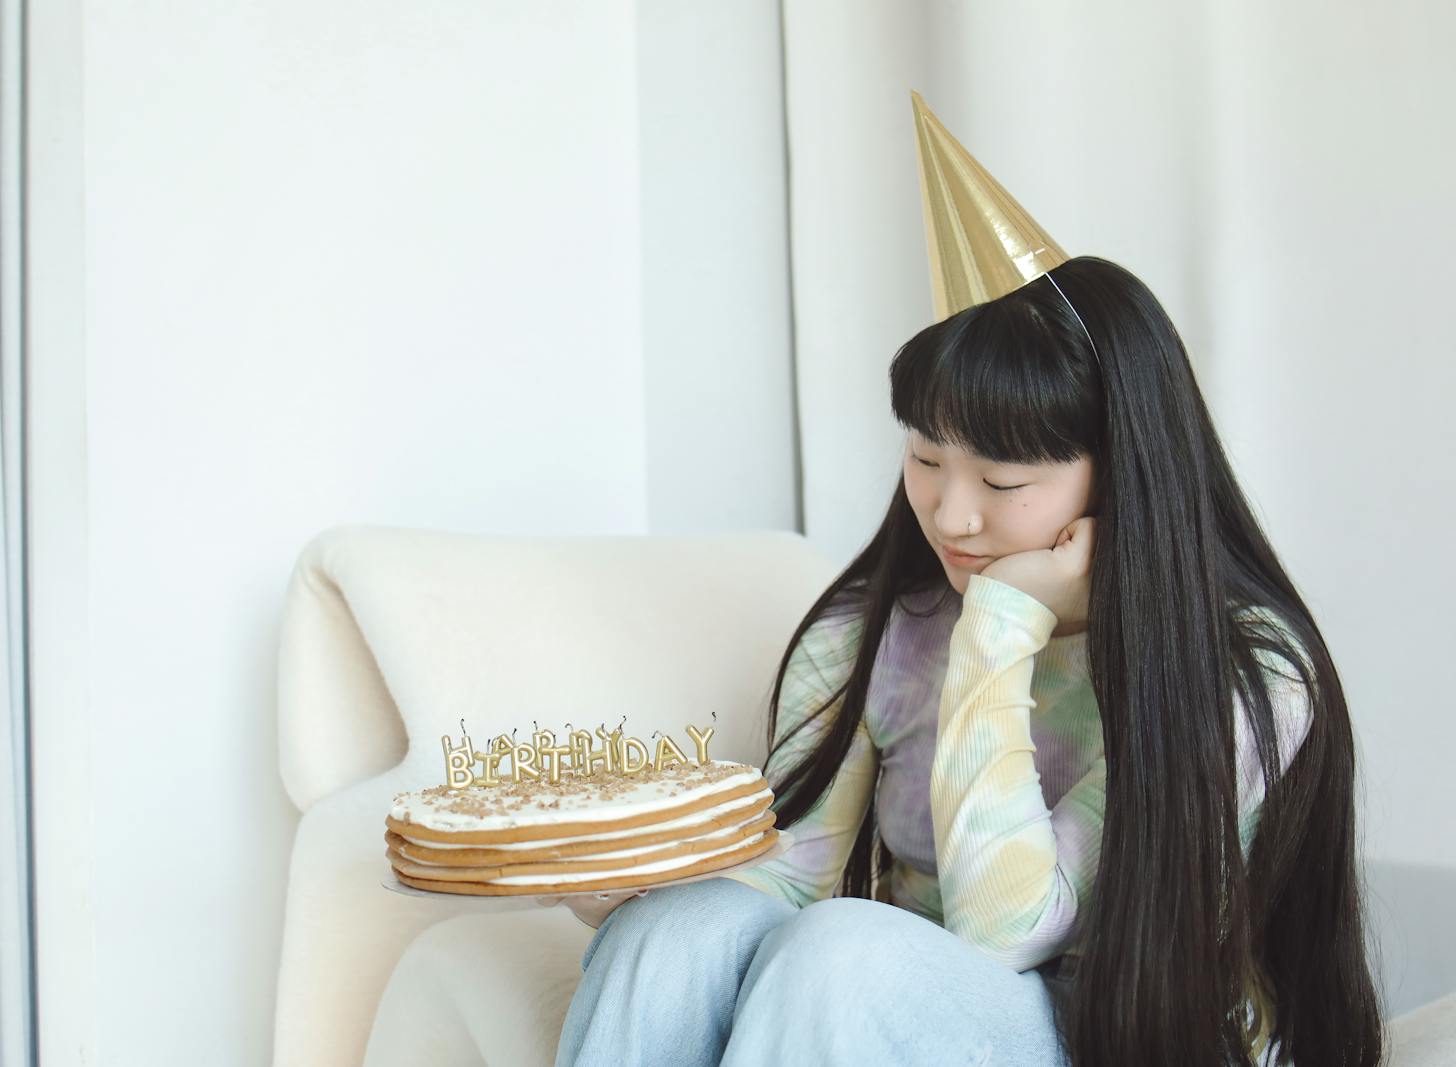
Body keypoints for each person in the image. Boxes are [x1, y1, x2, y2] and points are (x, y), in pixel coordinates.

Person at [544, 254, 1384, 1067]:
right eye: (927, 459)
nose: (951, 515)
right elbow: (789, 876)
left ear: (1125, 474)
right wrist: (622, 886)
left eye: (1004, 483)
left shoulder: (1248, 673)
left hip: (1128, 1033)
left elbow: (1004, 929)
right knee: (679, 934)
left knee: (844, 953)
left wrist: (1000, 626)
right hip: (909, 1019)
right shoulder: (875, 630)